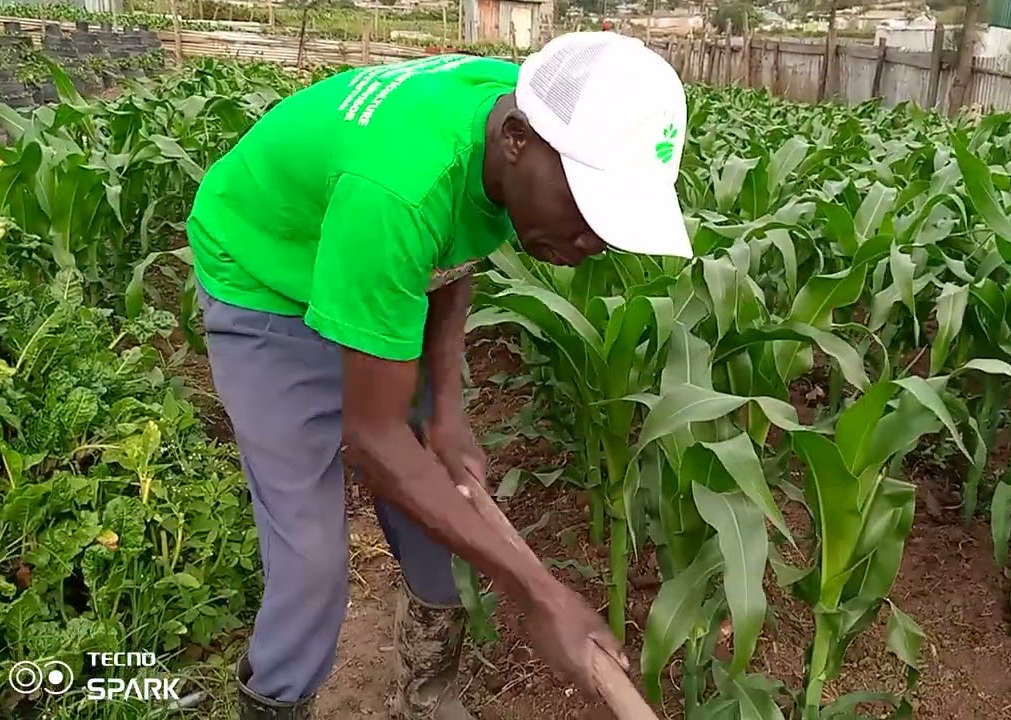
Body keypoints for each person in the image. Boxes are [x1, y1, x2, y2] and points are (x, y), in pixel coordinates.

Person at [185, 31, 692, 720]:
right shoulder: (399, 187)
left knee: (442, 508)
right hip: (267, 279)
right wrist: (541, 597)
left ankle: (428, 693)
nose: (589, 242)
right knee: (311, 565)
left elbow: (450, 251)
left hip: (370, 261)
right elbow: (374, 439)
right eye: (585, 209)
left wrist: (446, 410)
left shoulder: (524, 113)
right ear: (516, 140)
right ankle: (275, 703)